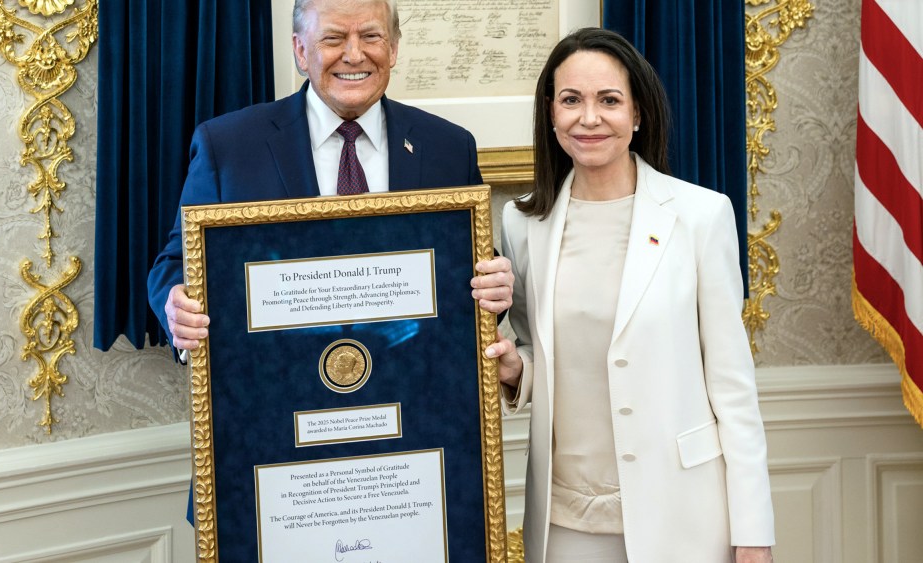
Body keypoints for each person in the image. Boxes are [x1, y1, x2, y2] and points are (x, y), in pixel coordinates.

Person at [483, 28, 775, 562]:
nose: (588, 118)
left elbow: (733, 386)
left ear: (638, 113)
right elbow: (536, 351)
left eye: (609, 101)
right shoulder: (522, 222)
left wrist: (753, 532)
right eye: (571, 100)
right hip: (564, 519)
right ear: (550, 113)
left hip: (683, 512)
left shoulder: (701, 216)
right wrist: (514, 370)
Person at [147, 0, 513, 351]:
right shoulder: (228, 147)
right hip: (278, 390)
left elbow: (469, 267)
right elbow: (178, 262)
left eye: (371, 37)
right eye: (334, 38)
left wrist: (494, 288)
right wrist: (177, 305)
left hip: (411, 384)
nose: (354, 55)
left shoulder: (448, 147)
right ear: (301, 51)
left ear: (394, 48)